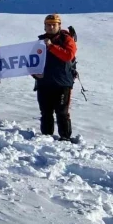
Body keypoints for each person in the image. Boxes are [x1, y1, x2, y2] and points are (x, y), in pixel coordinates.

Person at [34, 13, 77, 141]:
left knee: (62, 113)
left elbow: (68, 55)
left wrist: (51, 46)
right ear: (44, 26)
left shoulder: (67, 39)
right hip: (44, 83)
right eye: (48, 25)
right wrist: (34, 74)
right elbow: (31, 61)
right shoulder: (40, 41)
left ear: (59, 26)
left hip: (62, 84)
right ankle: (47, 138)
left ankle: (65, 138)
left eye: (54, 25)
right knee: (46, 113)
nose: (51, 27)